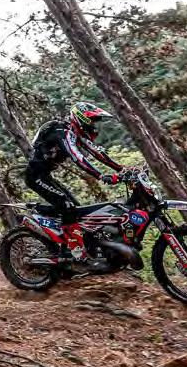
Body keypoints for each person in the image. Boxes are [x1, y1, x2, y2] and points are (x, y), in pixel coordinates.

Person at [24, 102, 125, 260]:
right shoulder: (62, 132)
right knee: (66, 205)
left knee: (76, 209)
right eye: (92, 121)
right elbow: (78, 158)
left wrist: (121, 169)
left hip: (45, 176)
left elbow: (98, 153)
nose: (94, 126)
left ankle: (68, 245)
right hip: (35, 176)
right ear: (81, 119)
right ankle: (73, 249)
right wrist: (101, 176)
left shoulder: (75, 133)